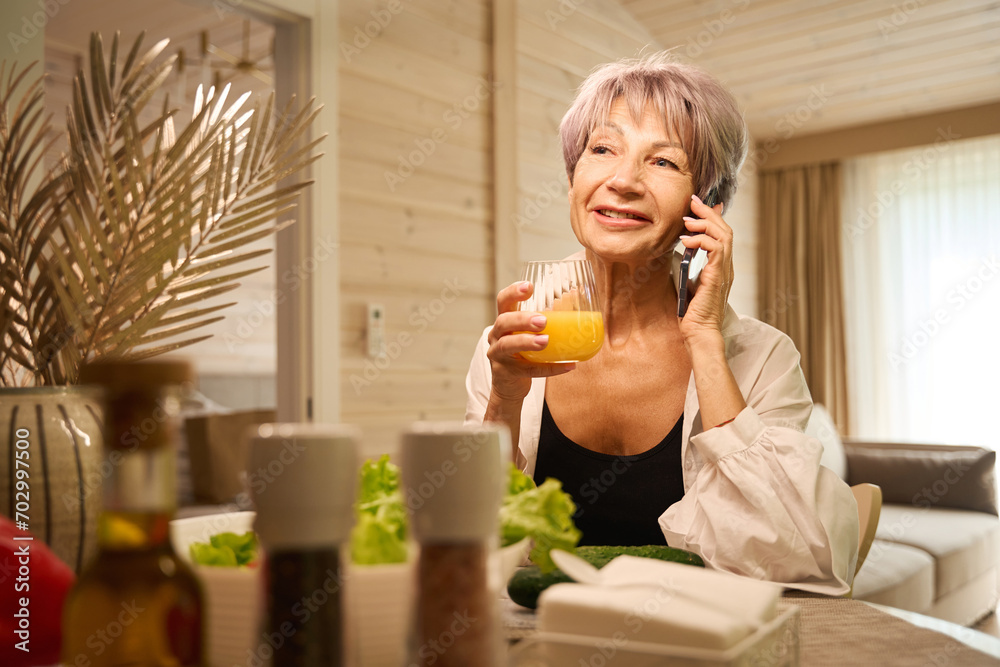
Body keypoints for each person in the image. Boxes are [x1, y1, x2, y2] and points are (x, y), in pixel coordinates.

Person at [465, 53, 858, 595]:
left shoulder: (762, 357)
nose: (622, 180)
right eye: (601, 149)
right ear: (574, 176)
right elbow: (467, 543)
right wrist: (503, 400)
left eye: (664, 162)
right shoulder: (511, 343)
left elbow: (793, 556)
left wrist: (704, 339)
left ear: (708, 207)